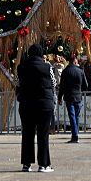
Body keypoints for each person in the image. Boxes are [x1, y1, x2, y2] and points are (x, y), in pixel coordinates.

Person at [17, 43, 55, 172]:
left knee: (27, 134)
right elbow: (54, 83)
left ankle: (26, 164)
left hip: (27, 104)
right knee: (43, 135)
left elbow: (18, 83)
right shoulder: (47, 67)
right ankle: (43, 164)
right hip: (44, 104)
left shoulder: (21, 67)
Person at [56, 55, 88, 143]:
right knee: (76, 116)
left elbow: (62, 86)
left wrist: (59, 98)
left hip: (69, 96)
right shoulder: (80, 71)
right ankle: (75, 134)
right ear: (75, 62)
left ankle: (75, 136)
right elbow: (86, 85)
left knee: (72, 116)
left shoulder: (65, 71)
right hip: (78, 96)